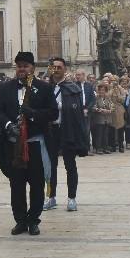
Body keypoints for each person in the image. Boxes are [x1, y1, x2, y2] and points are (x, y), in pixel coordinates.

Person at [0, 51, 57, 235]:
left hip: (35, 144)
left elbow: (53, 113)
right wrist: (7, 125)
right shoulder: (5, 88)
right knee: (17, 184)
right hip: (14, 145)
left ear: (33, 68)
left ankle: (33, 220)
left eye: (26, 66)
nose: (22, 69)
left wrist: (33, 114)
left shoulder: (44, 88)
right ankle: (20, 220)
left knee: (37, 185)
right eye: (19, 65)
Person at [46, 57, 88, 211]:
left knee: (70, 166)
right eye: (53, 67)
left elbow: (78, 115)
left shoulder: (73, 88)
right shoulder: (46, 88)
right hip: (51, 131)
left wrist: (63, 106)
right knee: (50, 167)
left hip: (68, 130)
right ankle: (51, 197)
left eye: (59, 67)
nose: (56, 69)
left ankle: (72, 198)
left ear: (64, 69)